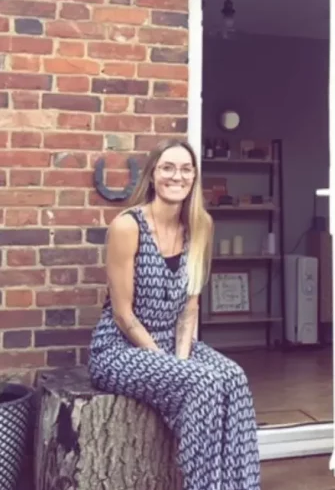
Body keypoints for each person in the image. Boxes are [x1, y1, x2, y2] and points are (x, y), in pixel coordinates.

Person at [88, 138, 261, 490]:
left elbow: (189, 309)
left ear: (194, 177)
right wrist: (174, 368)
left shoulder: (201, 226)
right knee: (203, 382)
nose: (176, 176)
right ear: (153, 175)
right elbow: (124, 316)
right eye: (168, 168)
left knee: (235, 379)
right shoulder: (128, 226)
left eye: (185, 169)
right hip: (120, 349)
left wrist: (179, 359)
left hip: (173, 343)